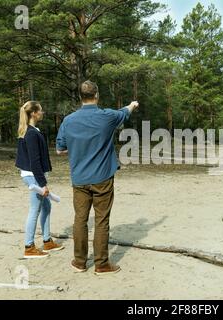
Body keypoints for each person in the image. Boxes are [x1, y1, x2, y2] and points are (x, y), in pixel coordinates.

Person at [56, 80, 139, 275]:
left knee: (80, 220)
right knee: (101, 220)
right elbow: (124, 111)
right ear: (97, 95)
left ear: (80, 97)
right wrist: (132, 105)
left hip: (79, 179)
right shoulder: (107, 116)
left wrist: (78, 147)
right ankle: (101, 264)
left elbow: (60, 149)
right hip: (102, 178)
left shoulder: (68, 120)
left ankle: (79, 262)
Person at [16, 101, 64, 259]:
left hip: (33, 176)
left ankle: (47, 241)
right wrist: (42, 185)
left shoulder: (32, 131)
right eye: (40, 110)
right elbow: (34, 162)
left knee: (46, 207)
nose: (42, 113)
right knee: (35, 210)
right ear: (34, 113)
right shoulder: (30, 133)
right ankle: (29, 246)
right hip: (33, 177)